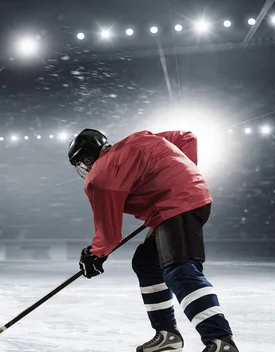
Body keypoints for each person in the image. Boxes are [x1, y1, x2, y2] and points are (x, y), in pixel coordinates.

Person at [68, 129, 239, 352]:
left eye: (82, 162)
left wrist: (94, 254)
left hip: (176, 206)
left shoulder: (99, 176)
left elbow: (109, 234)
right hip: (178, 203)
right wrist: (183, 176)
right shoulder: (139, 138)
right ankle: (168, 335)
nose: (85, 168)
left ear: (88, 157)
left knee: (179, 269)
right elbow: (187, 137)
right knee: (146, 263)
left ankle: (220, 341)